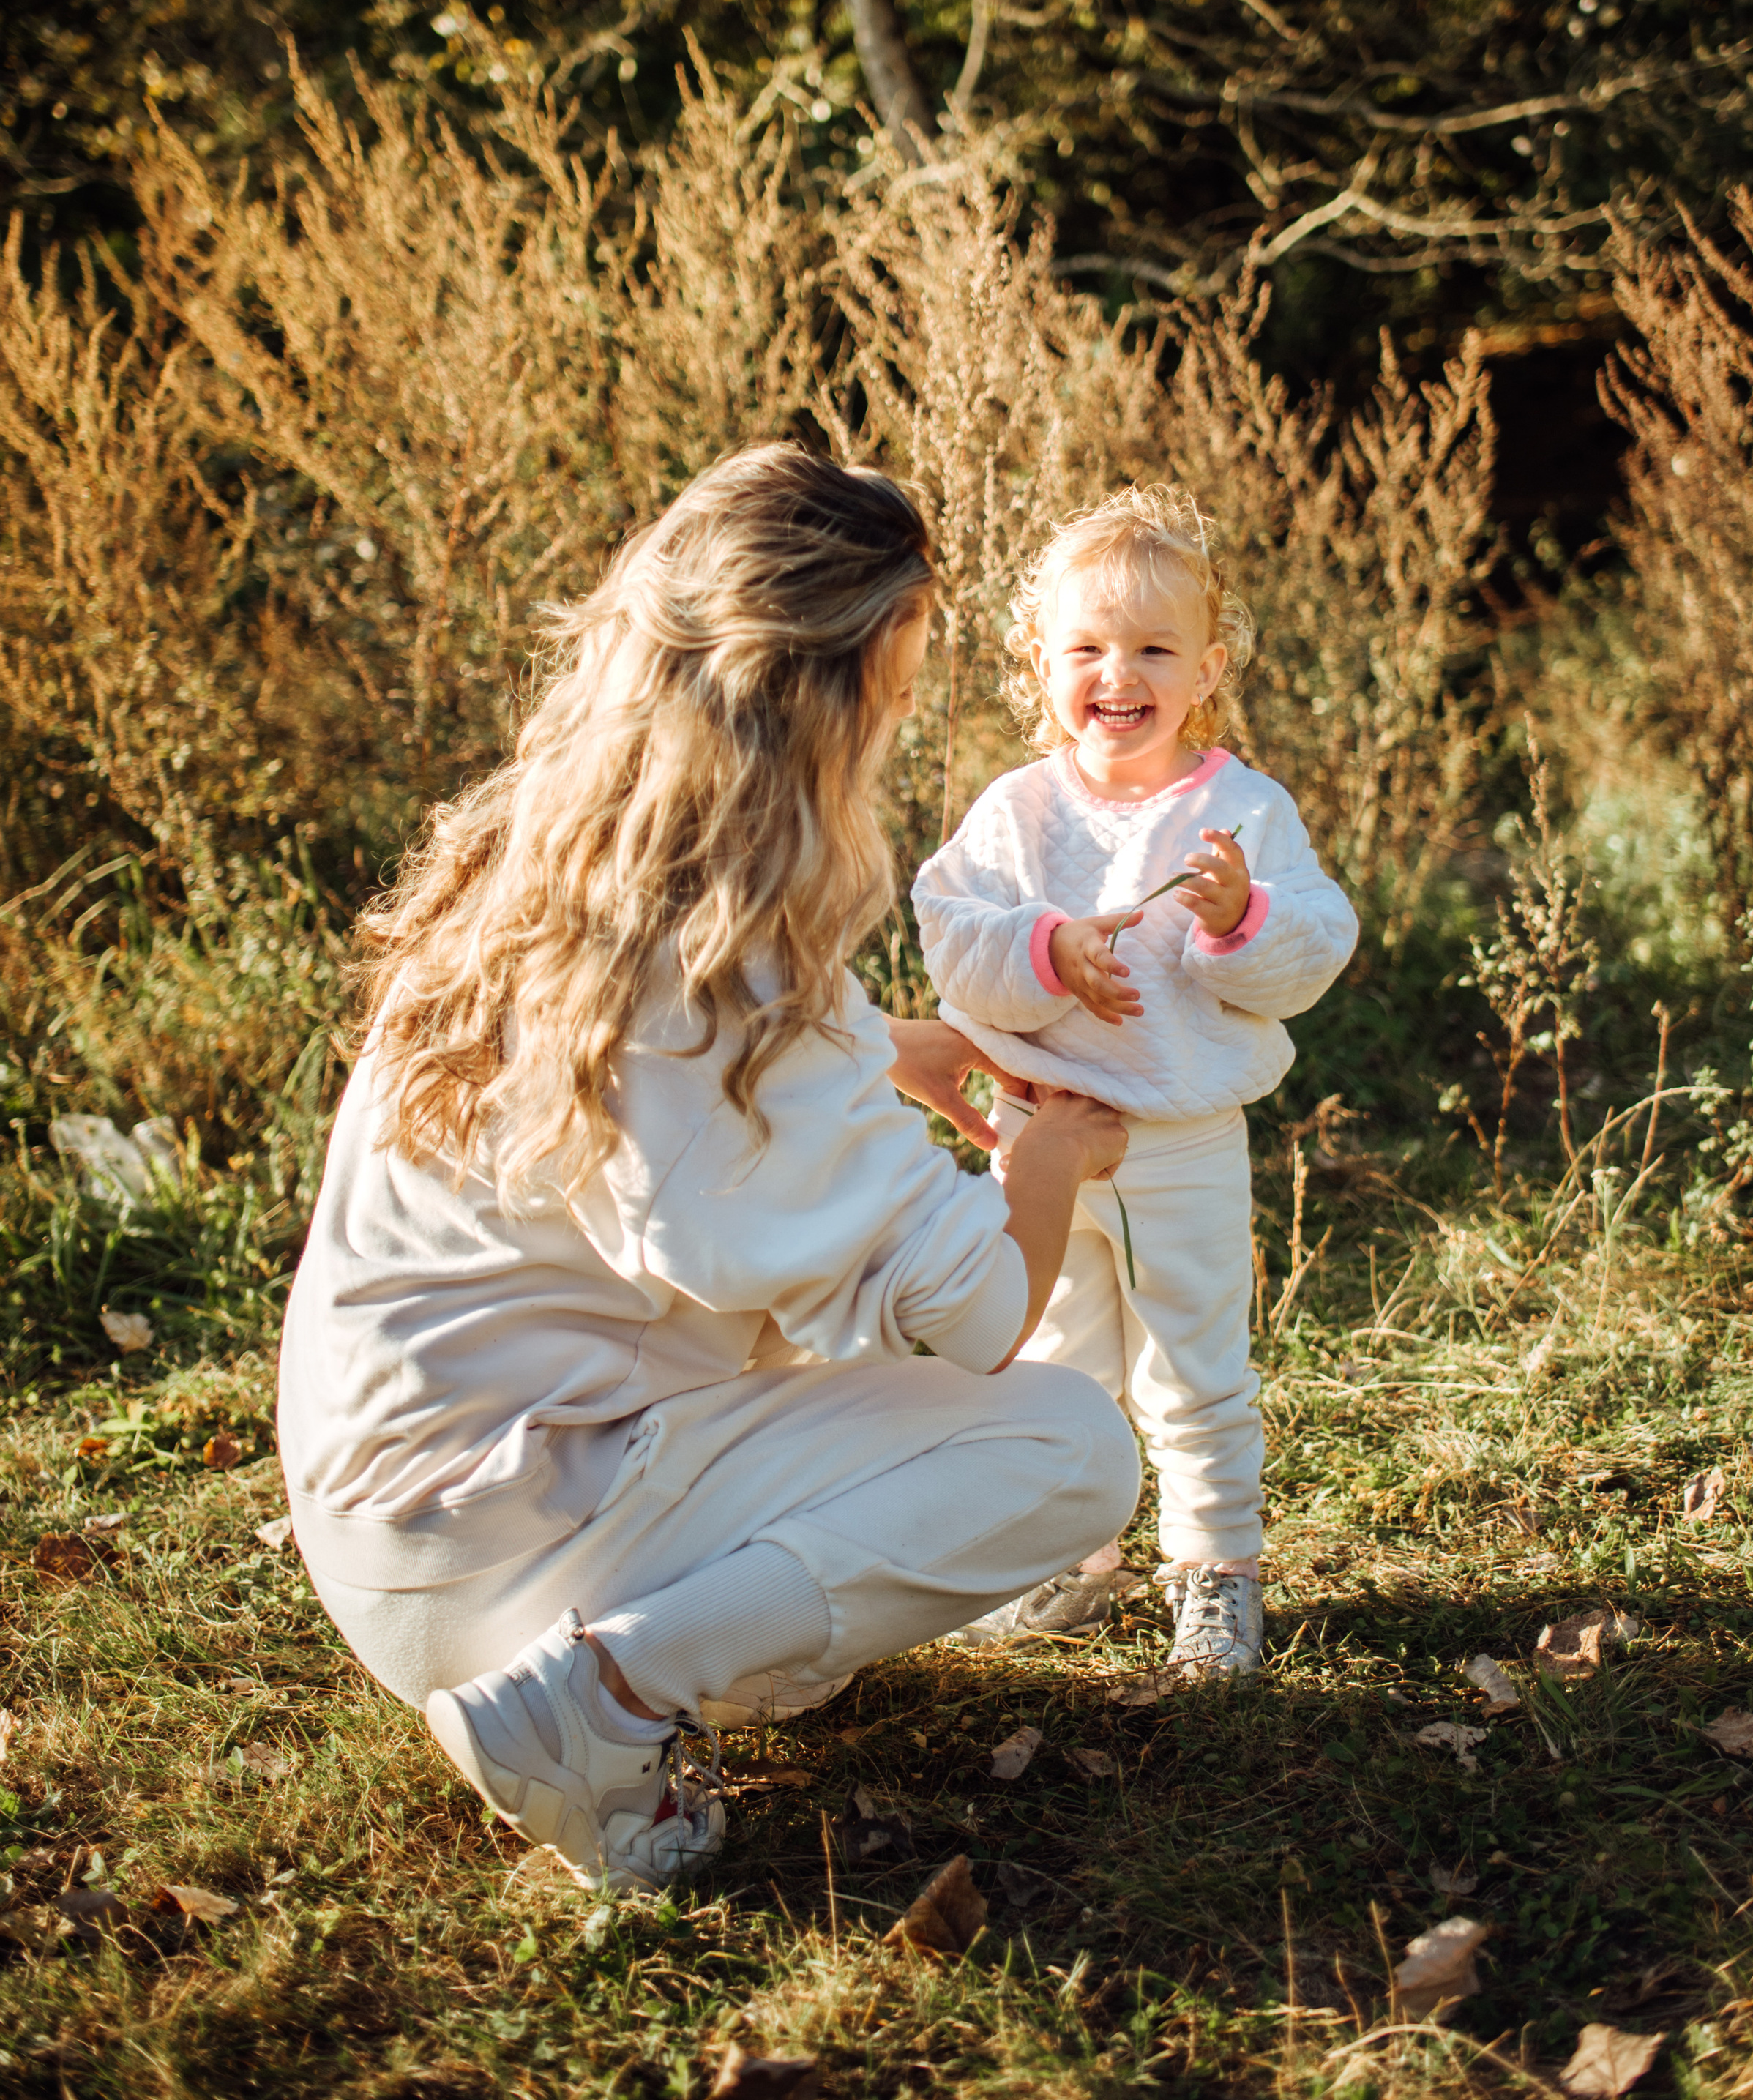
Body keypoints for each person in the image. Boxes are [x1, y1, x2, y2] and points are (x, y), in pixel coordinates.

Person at [277, 446, 1139, 1895]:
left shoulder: (549, 858)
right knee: (1067, 1452)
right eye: (898, 691)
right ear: (825, 700)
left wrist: (893, 1049)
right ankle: (595, 1705)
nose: (899, 725)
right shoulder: (725, 983)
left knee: (826, 1552)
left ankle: (638, 1658)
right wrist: (1050, 1153)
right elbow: (975, 1313)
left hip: (392, 1511)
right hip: (508, 1534)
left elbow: (677, 1124)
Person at [911, 486, 1358, 1682]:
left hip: (1179, 1140)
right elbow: (949, 934)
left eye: (1155, 647)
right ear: (1039, 661)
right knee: (1055, 1361)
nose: (1121, 673)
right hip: (1040, 1129)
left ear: (1206, 668)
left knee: (1194, 1366)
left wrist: (1240, 919)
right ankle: (1073, 1549)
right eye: (1090, 648)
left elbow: (1316, 950)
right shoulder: (1017, 812)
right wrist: (1046, 952)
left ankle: (1216, 1572)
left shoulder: (1241, 813)